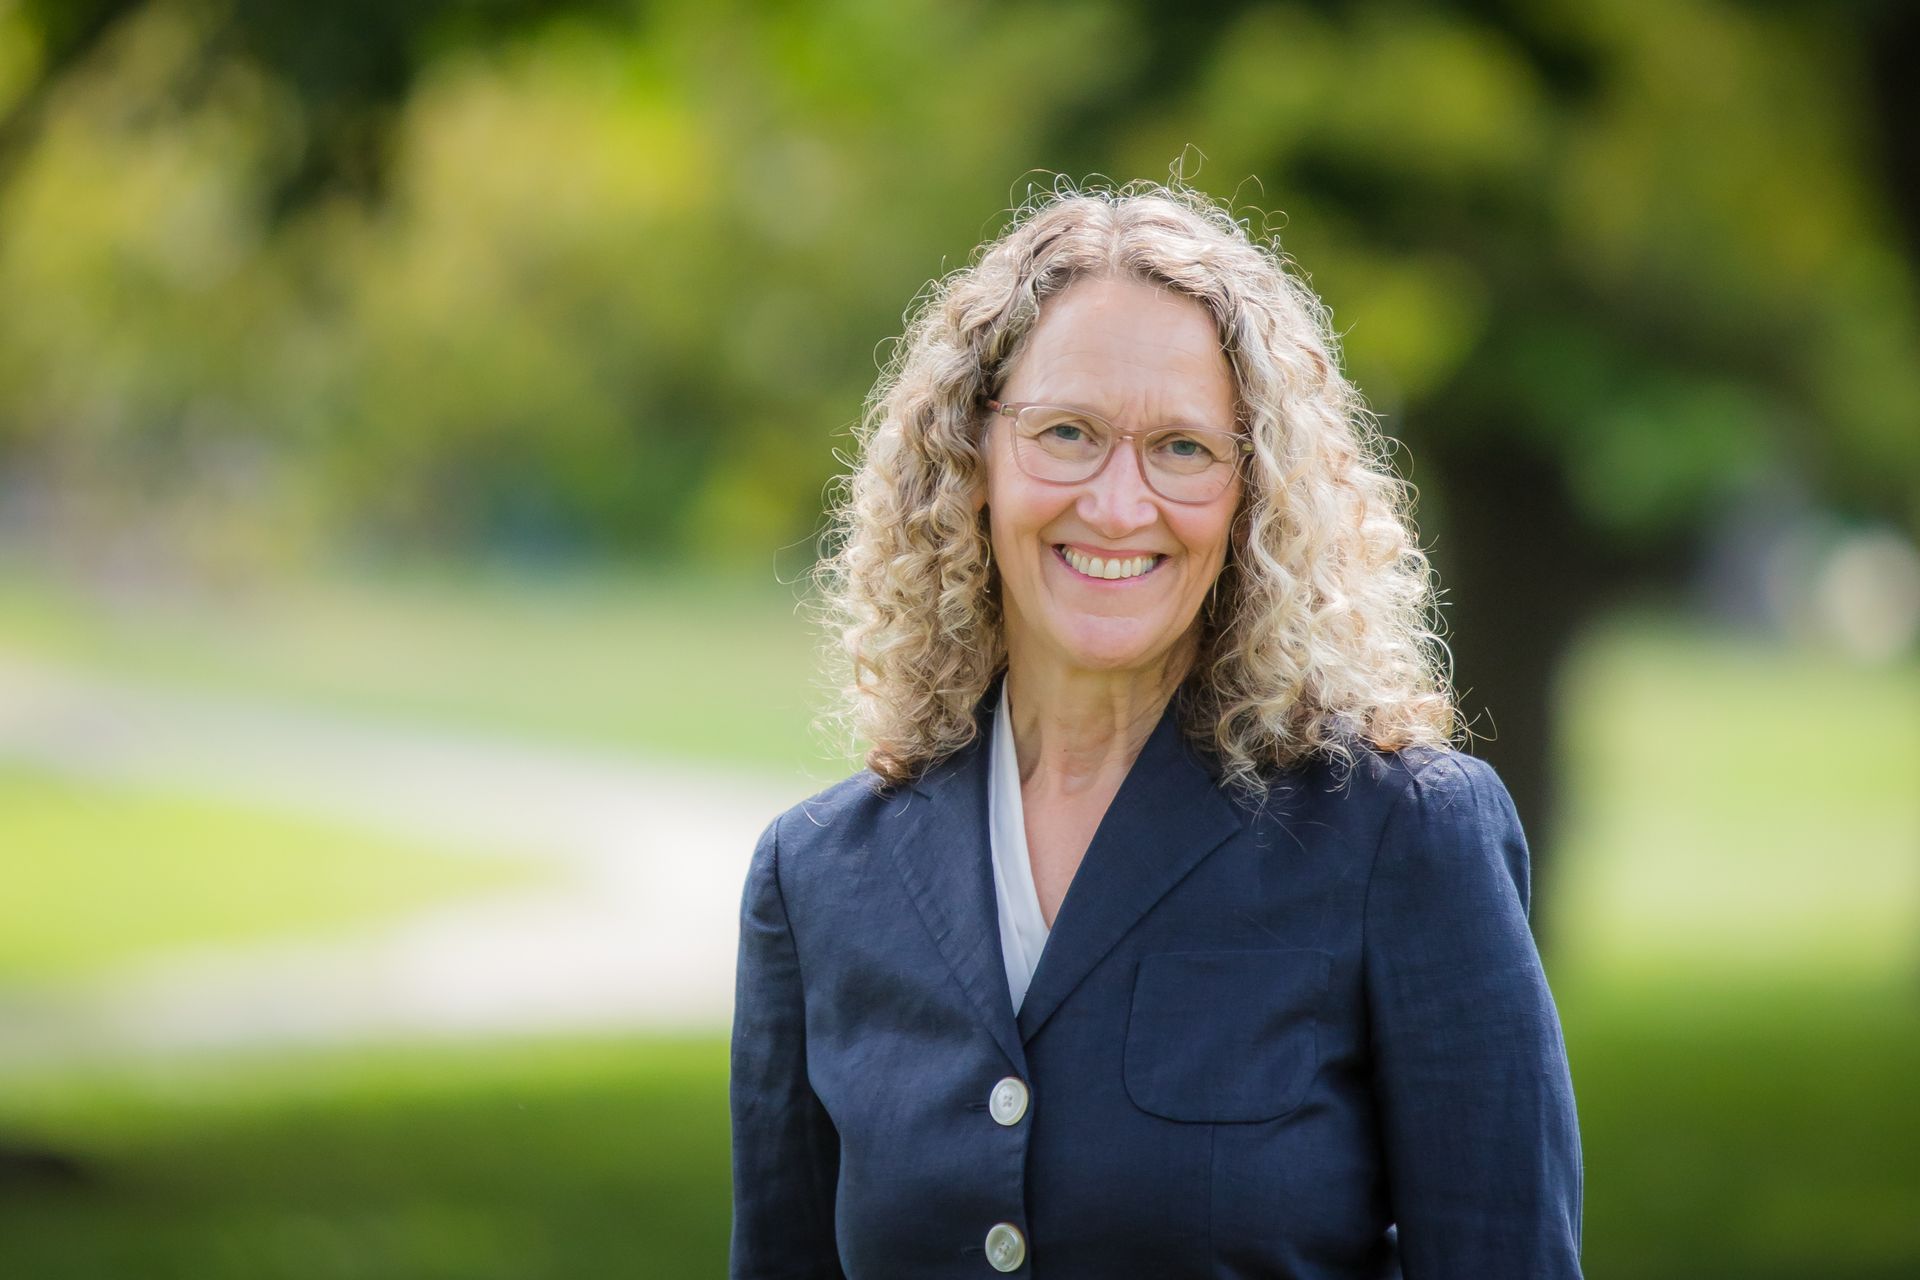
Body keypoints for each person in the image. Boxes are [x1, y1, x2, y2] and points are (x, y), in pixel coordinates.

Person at [730, 181, 1583, 1279]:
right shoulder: (817, 879)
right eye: (1068, 432)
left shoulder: (1403, 837)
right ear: (973, 457)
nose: (1120, 505)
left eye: (1182, 448)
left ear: (1252, 493)